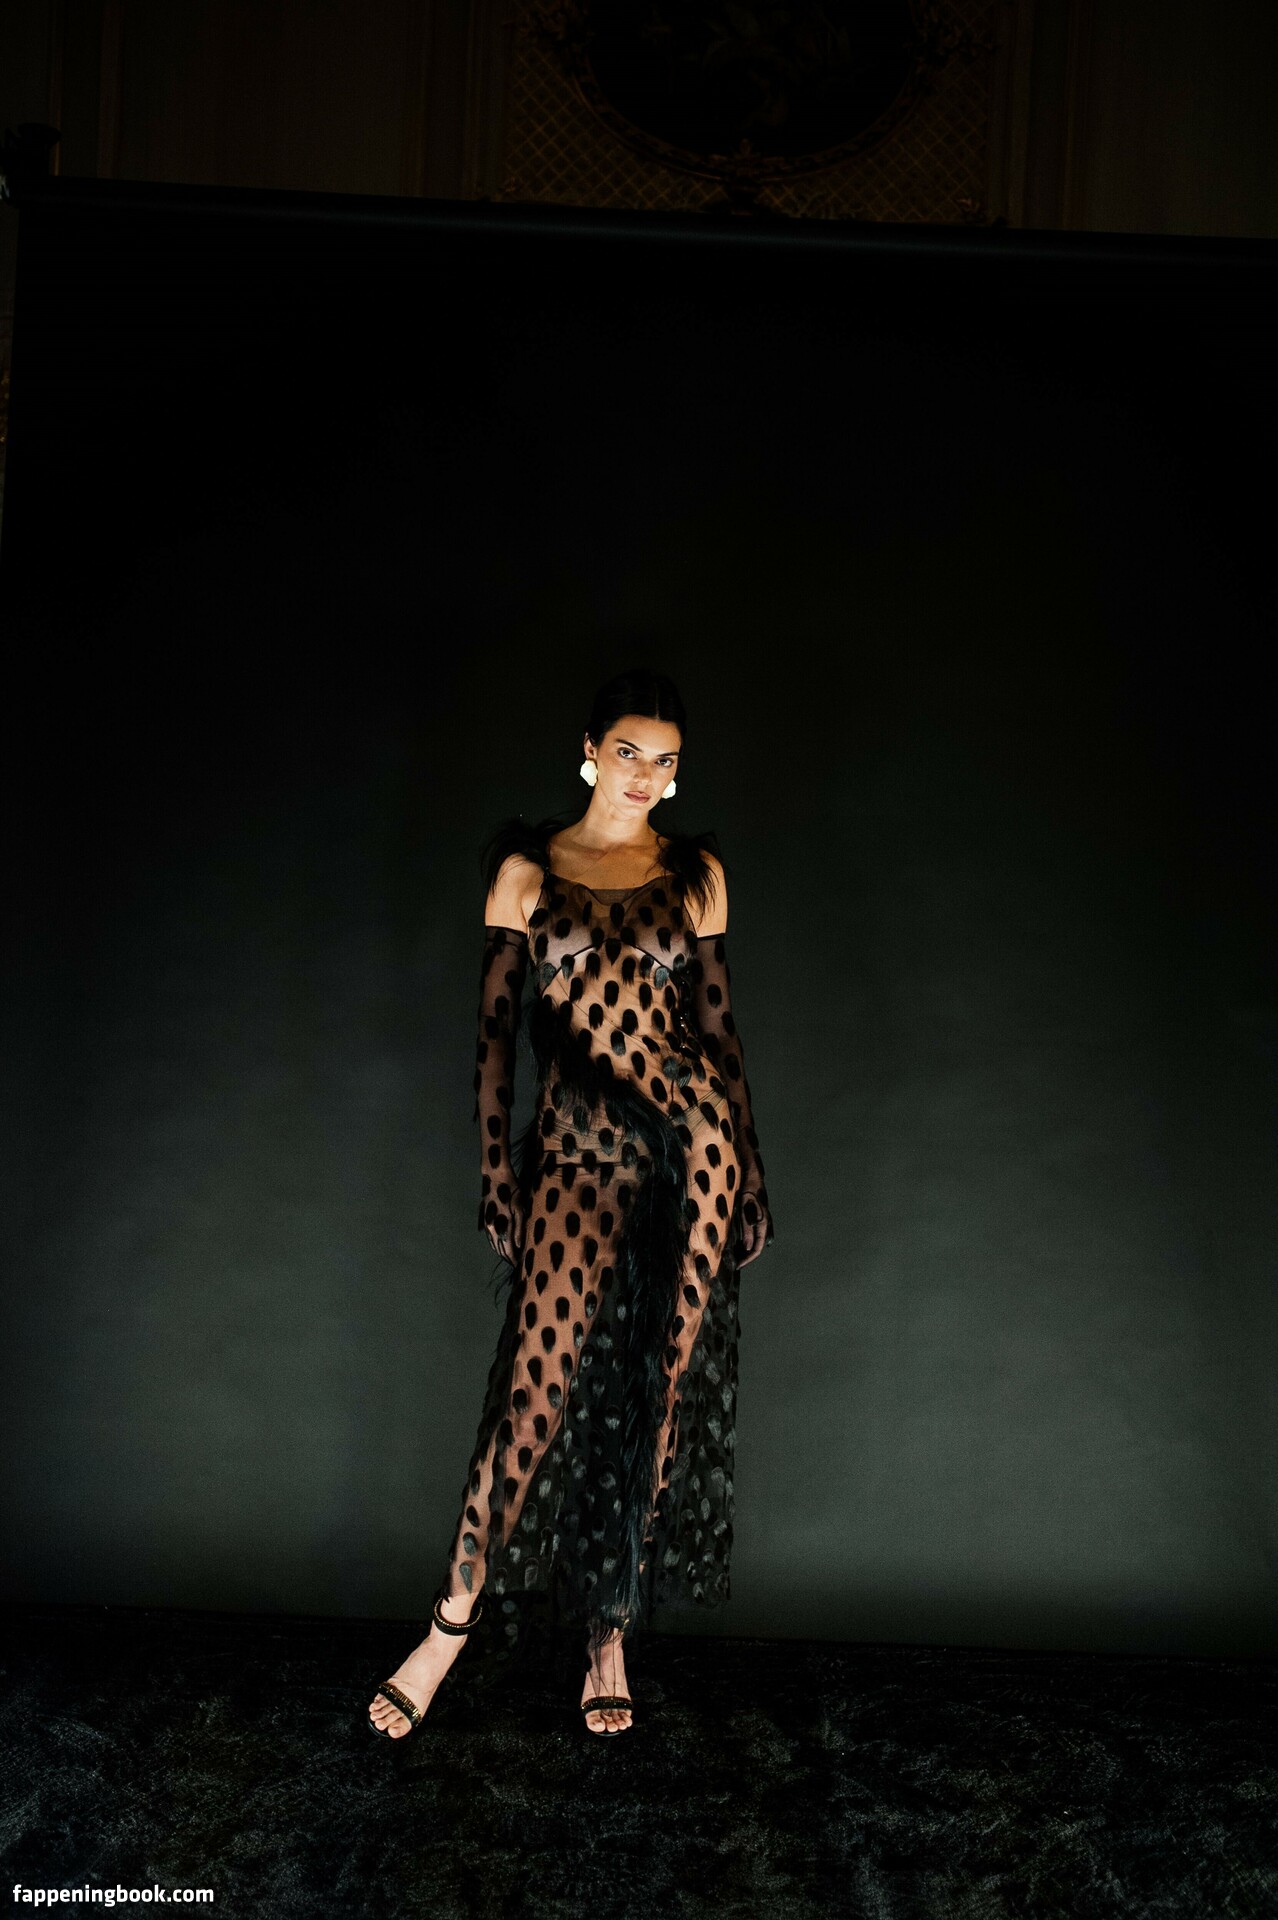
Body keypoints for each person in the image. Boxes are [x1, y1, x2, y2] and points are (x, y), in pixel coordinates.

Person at [368, 666, 775, 1739]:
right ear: (590, 752)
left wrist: (753, 1173)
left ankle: (610, 1630)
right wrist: (496, 1172)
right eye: (628, 752)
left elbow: (719, 1034)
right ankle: (446, 1631)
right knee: (532, 1400)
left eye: (665, 762)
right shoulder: (525, 875)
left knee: (658, 1393)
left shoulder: (696, 878)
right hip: (577, 1154)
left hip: (694, 1148)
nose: (645, 776)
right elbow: (495, 1042)